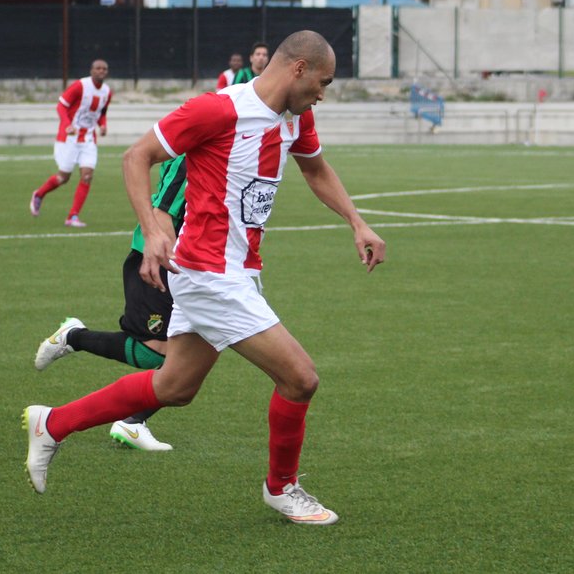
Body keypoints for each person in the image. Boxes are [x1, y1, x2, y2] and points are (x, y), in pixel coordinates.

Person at [22, 30, 386, 526]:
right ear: (299, 68)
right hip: (209, 275)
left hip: (238, 272)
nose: (323, 93)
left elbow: (316, 170)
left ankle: (52, 423)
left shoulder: (296, 117)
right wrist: (154, 230)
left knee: (175, 386)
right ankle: (281, 488)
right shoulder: (219, 109)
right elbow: (136, 156)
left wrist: (357, 222)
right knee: (300, 379)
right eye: (323, 82)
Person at [32, 155, 189, 451]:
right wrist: (166, 257)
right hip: (162, 257)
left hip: (198, 264)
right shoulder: (197, 147)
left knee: (195, 349)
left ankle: (133, 422)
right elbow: (164, 207)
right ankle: (73, 337)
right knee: (152, 353)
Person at [29, 59, 112, 228]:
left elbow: (101, 113)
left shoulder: (107, 92)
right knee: (63, 177)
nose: (101, 71)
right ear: (91, 70)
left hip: (88, 139)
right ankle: (39, 194)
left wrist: (103, 125)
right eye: (98, 68)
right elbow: (61, 106)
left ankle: (73, 216)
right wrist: (67, 125)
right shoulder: (80, 86)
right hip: (69, 138)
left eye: (104, 69)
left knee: (87, 176)